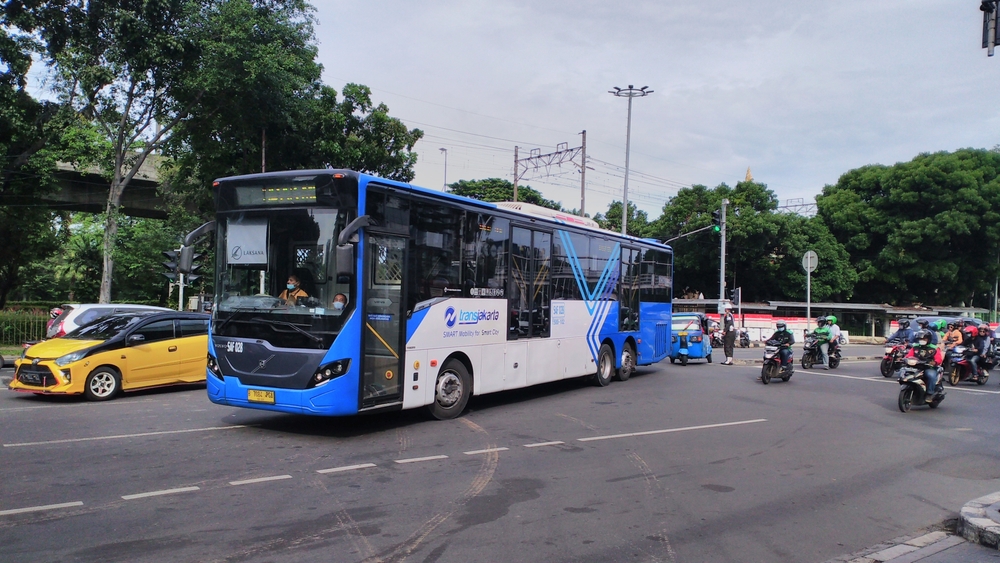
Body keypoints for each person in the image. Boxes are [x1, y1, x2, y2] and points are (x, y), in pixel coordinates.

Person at [906, 329, 943, 398]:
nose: (922, 340)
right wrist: (904, 359)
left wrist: (934, 362)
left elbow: (939, 359)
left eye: (924, 338)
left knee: (931, 376)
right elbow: (909, 356)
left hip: (928, 367)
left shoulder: (934, 348)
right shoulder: (915, 347)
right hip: (916, 367)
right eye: (920, 338)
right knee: (903, 372)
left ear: (928, 339)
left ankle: (930, 393)